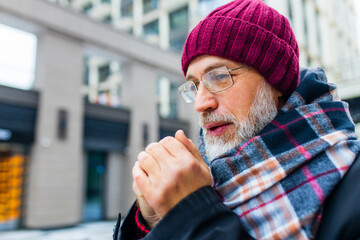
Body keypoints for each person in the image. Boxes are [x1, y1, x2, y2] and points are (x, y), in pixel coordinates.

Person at [113, 0, 360, 239]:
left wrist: (192, 216)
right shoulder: (205, 173)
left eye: (219, 77)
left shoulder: (352, 184)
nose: (201, 104)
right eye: (194, 86)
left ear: (275, 83)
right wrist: (153, 225)